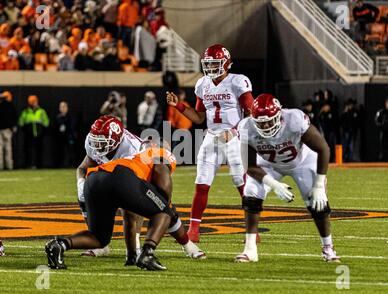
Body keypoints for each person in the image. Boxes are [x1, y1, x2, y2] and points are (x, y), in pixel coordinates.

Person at [76, 115, 205, 262]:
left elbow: (138, 204)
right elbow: (83, 167)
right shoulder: (94, 141)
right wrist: (81, 183)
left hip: (130, 177)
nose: (96, 146)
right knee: (84, 195)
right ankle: (99, 242)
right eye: (96, 140)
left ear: (117, 141)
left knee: (157, 209)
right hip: (109, 177)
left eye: (102, 142)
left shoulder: (133, 149)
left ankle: (182, 245)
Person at [236, 94, 340, 263]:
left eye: (270, 121)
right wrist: (274, 184)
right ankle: (250, 249)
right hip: (269, 164)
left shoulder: (294, 119)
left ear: (279, 115)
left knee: (317, 203)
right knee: (251, 192)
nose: (266, 126)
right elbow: (249, 166)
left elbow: (323, 149)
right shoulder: (246, 127)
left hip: (301, 161)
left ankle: (328, 247)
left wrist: (319, 185)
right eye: (261, 122)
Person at [166, 44, 254, 243]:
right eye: (209, 64)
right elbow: (198, 118)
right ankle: (194, 230)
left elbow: (252, 114)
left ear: (226, 63)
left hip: (234, 138)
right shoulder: (202, 84)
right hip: (212, 136)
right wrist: (178, 105)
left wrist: (235, 130)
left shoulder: (238, 81)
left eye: (215, 63)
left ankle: (252, 229)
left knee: (241, 184)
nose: (211, 68)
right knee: (202, 183)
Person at [46, 144, 179, 271]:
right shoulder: (162, 156)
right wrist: (167, 209)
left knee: (99, 238)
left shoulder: (137, 154)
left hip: (93, 179)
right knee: (164, 212)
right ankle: (147, 253)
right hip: (119, 177)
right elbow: (163, 191)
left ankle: (59, 244)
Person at [18, 95, 50, 168]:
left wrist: (41, 126)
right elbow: (20, 122)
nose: (34, 103)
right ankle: (29, 165)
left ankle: (39, 165)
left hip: (39, 134)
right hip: (29, 135)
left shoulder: (41, 111)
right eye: (33, 102)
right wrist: (26, 126)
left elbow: (46, 122)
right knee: (28, 151)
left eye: (35, 101)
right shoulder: (26, 112)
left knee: (39, 150)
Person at [54, 101, 76, 168]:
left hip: (69, 136)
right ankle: (61, 164)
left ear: (67, 108)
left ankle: (72, 164)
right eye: (61, 107)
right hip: (61, 137)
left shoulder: (71, 117)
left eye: (64, 107)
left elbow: (72, 127)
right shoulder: (58, 117)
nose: (62, 108)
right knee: (60, 151)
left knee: (71, 151)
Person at [0, 91, 17, 170]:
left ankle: (1, 166)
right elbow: (14, 116)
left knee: (1, 149)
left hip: (4, 129)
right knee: (8, 148)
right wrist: (13, 126)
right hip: (7, 129)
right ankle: (9, 166)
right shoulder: (10, 105)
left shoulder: (8, 105)